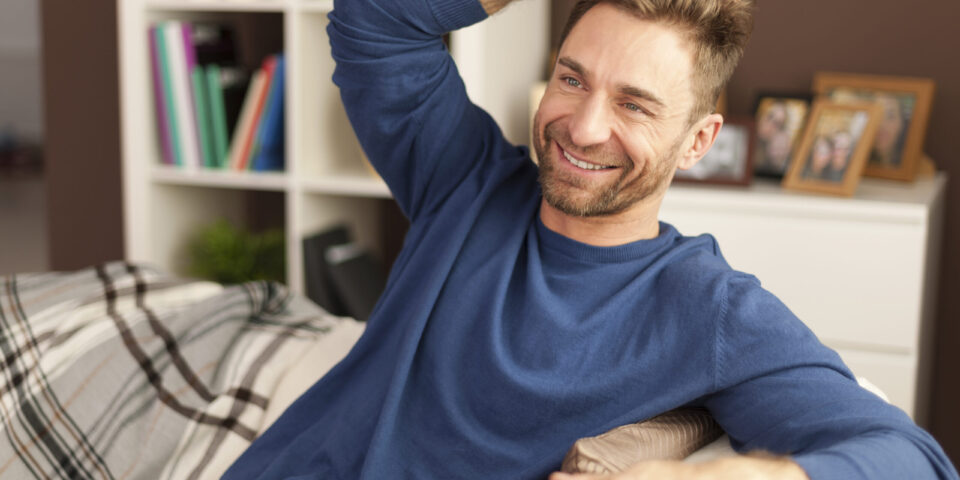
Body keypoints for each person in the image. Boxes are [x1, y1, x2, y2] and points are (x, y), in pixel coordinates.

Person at [224, 0, 959, 478]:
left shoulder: (711, 311)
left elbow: (915, 460)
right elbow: (372, 20)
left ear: (698, 140)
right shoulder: (465, 180)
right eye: (572, 80)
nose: (584, 126)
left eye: (635, 104)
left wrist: (753, 476)